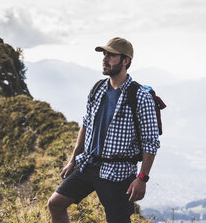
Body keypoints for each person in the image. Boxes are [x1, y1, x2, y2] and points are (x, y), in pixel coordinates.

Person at [47, 37, 160, 223]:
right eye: (104, 54)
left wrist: (142, 178)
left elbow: (151, 142)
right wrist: (73, 159)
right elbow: (86, 123)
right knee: (55, 204)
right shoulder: (98, 88)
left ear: (126, 61)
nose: (105, 58)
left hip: (118, 171)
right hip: (88, 164)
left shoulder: (140, 97)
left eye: (111, 55)